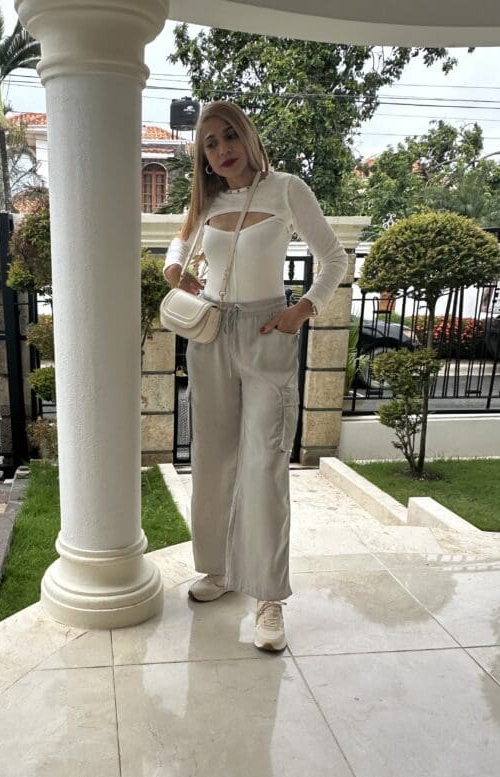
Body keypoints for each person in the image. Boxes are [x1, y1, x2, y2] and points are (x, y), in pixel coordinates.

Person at [163, 101, 348, 652]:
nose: (221, 151)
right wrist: (173, 268)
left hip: (269, 335)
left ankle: (269, 597)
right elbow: (181, 240)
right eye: (210, 146)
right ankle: (218, 571)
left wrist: (302, 310)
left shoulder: (287, 188)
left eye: (228, 137)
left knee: (265, 462)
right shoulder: (209, 198)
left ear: (247, 135)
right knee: (214, 458)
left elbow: (334, 258)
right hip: (212, 334)